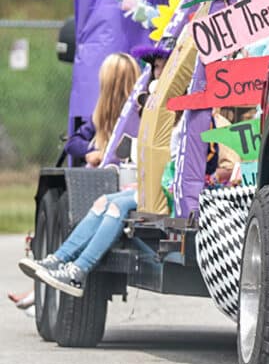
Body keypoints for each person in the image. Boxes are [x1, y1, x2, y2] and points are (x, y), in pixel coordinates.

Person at [17, 47, 169, 297]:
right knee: (103, 202)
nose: (156, 72)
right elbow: (74, 142)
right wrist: (91, 151)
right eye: (155, 67)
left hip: (161, 185)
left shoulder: (167, 108)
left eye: (162, 66)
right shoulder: (132, 109)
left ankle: (77, 271)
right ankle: (59, 260)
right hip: (137, 181)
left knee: (116, 207)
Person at [65, 52, 140, 167]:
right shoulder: (101, 115)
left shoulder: (139, 113)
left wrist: (106, 152)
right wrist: (94, 150)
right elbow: (72, 143)